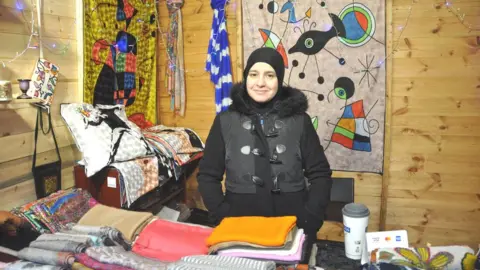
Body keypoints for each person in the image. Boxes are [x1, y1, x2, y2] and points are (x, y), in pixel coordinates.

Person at [197, 47, 332, 261]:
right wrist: (222, 214)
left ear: (279, 80)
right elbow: (207, 175)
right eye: (254, 74)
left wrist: (310, 216)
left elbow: (320, 174)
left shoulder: (300, 121)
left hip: (293, 221)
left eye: (269, 75)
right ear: (246, 78)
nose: (260, 83)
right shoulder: (225, 121)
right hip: (239, 222)